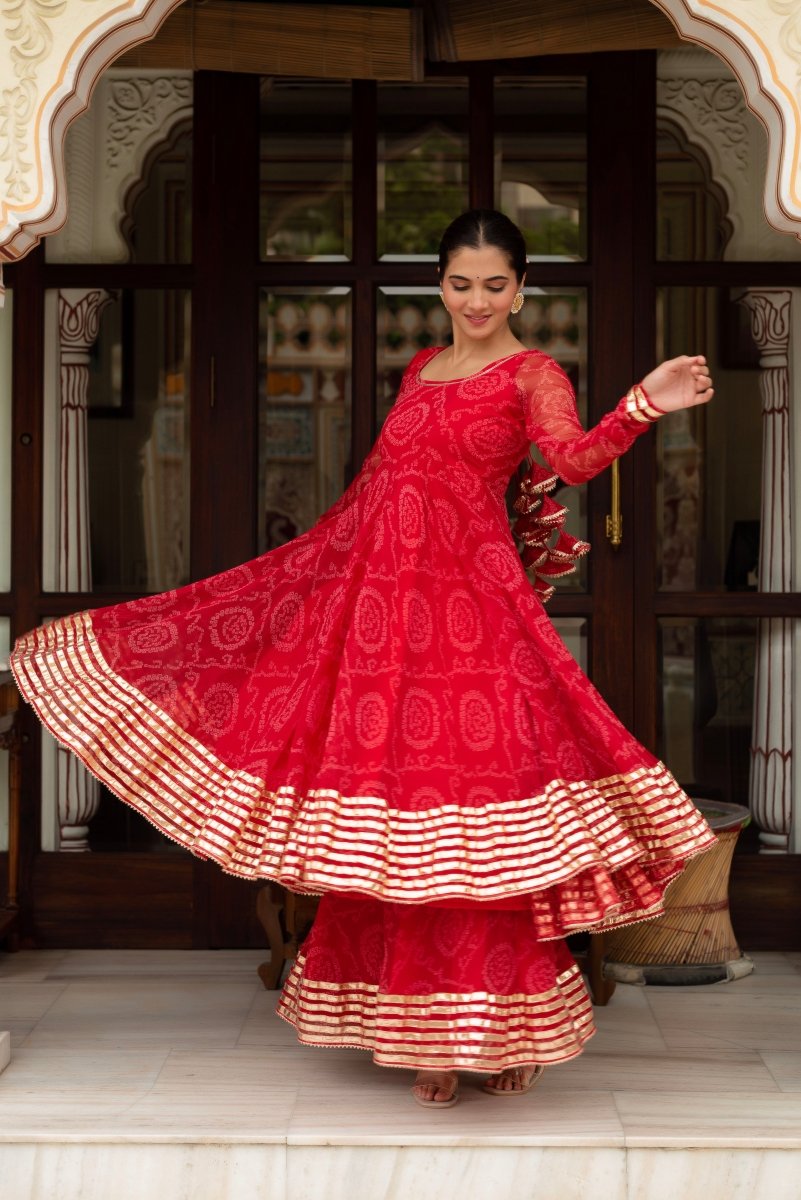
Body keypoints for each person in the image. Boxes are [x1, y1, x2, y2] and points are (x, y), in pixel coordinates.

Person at [10, 209, 717, 1110]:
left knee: (474, 828)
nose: (475, 300)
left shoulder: (532, 371)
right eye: (460, 283)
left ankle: (498, 1033)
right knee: (392, 826)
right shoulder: (421, 369)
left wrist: (642, 403)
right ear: (440, 286)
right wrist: (319, 581)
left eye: (494, 285)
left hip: (473, 620)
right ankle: (420, 1036)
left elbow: (571, 463)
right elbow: (381, 490)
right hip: (385, 620)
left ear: (521, 289)